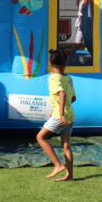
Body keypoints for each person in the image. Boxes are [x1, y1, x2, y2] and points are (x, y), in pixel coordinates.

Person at [36, 48, 76, 182]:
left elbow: (62, 93)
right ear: (65, 63)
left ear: (50, 63)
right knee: (66, 145)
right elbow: (72, 98)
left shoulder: (53, 78)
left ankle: (58, 165)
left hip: (61, 117)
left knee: (40, 137)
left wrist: (60, 113)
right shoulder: (68, 79)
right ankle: (69, 176)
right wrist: (57, 109)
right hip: (70, 117)